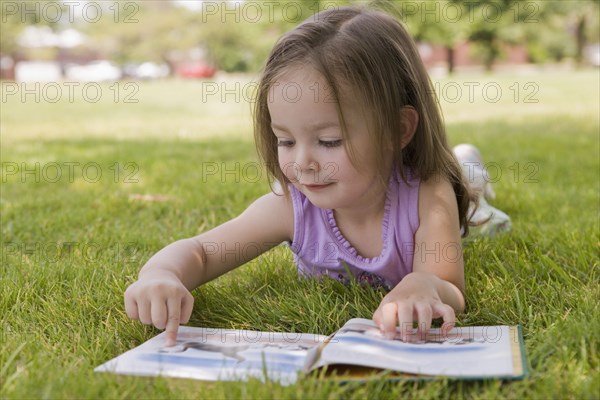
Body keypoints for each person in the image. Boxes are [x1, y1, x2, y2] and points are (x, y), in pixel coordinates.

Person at [124, 5, 508, 346]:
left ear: (398, 130)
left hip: (446, 198)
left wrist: (423, 284)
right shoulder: (292, 205)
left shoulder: (428, 193)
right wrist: (162, 273)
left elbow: (450, 286)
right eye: (285, 140)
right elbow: (202, 252)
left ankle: (467, 166)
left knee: (476, 208)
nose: (303, 164)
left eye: (329, 140)